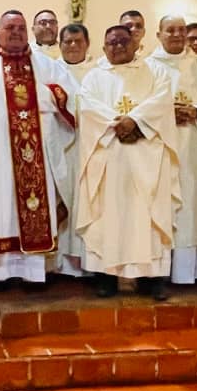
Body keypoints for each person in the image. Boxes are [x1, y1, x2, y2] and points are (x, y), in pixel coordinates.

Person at [0, 11, 77, 283]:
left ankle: (34, 274)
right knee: (0, 210)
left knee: (35, 209)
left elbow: (73, 99)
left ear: (28, 32)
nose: (15, 32)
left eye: (20, 28)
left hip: (38, 155)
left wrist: (43, 95)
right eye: (9, 27)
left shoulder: (48, 64)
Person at [77, 26, 176, 299]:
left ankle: (151, 279)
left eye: (123, 41)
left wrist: (136, 122)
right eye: (112, 43)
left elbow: (162, 103)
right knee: (107, 215)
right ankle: (106, 277)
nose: (118, 46)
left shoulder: (155, 72)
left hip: (148, 156)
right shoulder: (94, 77)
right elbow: (88, 108)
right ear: (104, 48)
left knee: (149, 215)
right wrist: (120, 125)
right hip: (109, 158)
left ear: (136, 44)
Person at [147, 16, 197, 285]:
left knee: (194, 207)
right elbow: (139, 104)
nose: (177, 35)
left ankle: (196, 272)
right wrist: (164, 113)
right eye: (170, 30)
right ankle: (158, 273)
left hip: (195, 146)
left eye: (181, 30)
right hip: (159, 148)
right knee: (162, 207)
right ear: (159, 34)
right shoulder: (146, 67)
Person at [56, 22, 96, 277]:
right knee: (63, 201)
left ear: (87, 44)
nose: (73, 46)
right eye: (67, 42)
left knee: (89, 204)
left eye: (78, 41)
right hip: (61, 148)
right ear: (60, 45)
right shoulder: (50, 70)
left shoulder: (99, 71)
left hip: (92, 147)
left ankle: (90, 264)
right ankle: (59, 263)